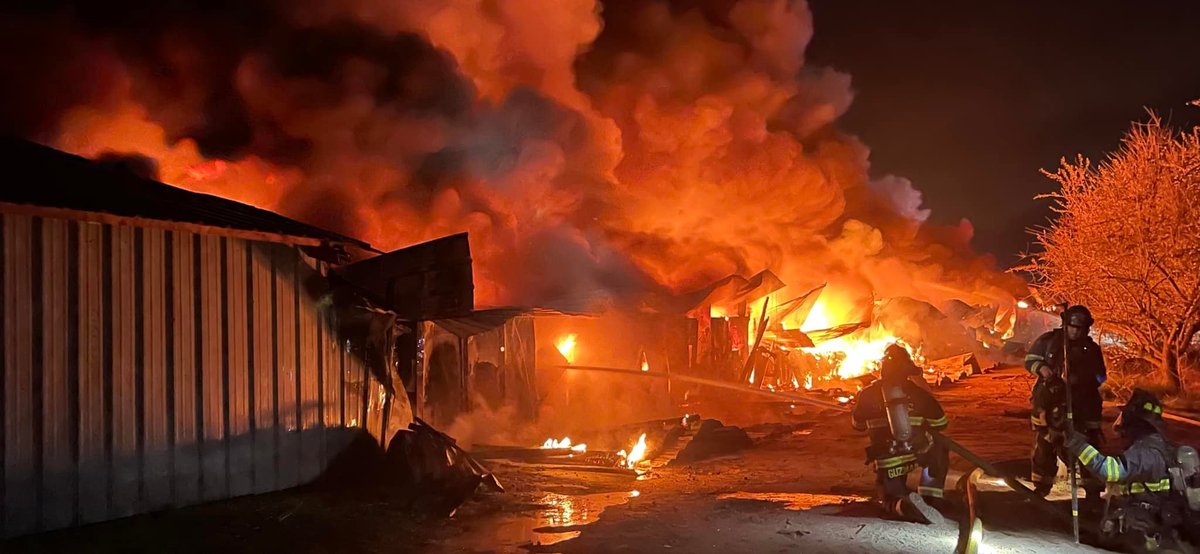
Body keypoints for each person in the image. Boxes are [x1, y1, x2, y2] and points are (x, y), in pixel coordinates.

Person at [1063, 389, 1193, 553]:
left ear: (1135, 421)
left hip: (1143, 528)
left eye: (1125, 416)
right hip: (1155, 521)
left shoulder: (1145, 452)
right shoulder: (1159, 446)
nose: (1121, 421)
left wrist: (1078, 446)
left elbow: (1111, 471)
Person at [852, 344, 950, 524]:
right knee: (940, 444)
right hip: (916, 454)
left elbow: (857, 426)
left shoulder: (867, 394)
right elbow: (941, 424)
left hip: (887, 459)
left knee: (890, 499)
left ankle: (901, 505)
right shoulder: (919, 394)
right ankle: (930, 497)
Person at [1025, 304, 1107, 500]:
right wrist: (1042, 369)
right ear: (1065, 325)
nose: (1076, 332)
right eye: (1073, 327)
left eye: (1081, 328)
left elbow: (1101, 376)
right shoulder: (1048, 341)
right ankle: (1041, 487)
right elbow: (1030, 360)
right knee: (1046, 442)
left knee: (1088, 445)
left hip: (1083, 403)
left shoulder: (1091, 349)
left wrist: (1082, 379)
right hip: (1050, 400)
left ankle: (1092, 492)